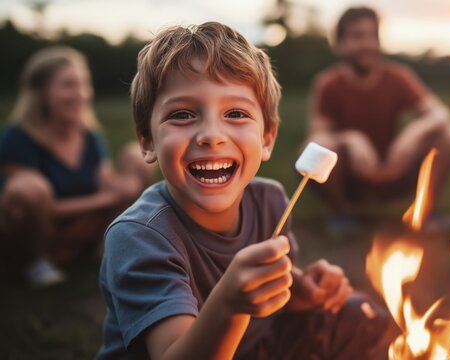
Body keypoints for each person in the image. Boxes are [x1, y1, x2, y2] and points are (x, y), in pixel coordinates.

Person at [96, 22, 391, 359]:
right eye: (182, 114)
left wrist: (299, 288)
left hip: (256, 346)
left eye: (235, 113)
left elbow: (269, 285)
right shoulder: (139, 236)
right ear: (147, 141)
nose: (211, 135)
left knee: (358, 314)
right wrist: (229, 306)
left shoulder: (270, 201)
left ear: (267, 138)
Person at [0, 47, 152, 288]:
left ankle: (107, 250)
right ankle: (35, 262)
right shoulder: (17, 138)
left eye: (83, 84)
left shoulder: (89, 136)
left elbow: (105, 182)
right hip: (40, 235)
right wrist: (109, 197)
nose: (81, 94)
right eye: (68, 85)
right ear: (41, 93)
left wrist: (125, 186)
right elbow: (34, 206)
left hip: (81, 227)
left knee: (137, 155)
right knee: (29, 188)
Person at [308, 7, 450, 225]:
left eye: (373, 36)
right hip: (351, 178)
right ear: (340, 43)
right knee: (319, 146)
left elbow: (442, 114)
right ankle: (340, 214)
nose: (367, 44)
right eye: (357, 36)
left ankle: (426, 213)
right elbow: (317, 137)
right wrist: (350, 139)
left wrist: (413, 134)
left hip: (395, 170)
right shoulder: (328, 83)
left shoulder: (399, 77)